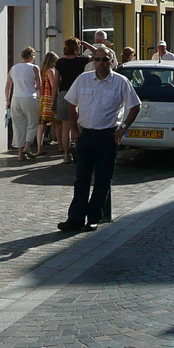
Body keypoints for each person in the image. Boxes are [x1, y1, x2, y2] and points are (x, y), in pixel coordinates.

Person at [58, 47, 141, 232]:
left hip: (108, 135)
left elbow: (135, 106)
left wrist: (123, 129)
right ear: (93, 60)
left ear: (112, 61)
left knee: (103, 179)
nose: (101, 63)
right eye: (97, 59)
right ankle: (75, 218)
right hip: (85, 134)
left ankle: (94, 218)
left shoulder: (121, 82)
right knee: (81, 178)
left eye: (105, 59)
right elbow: (71, 104)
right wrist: (74, 129)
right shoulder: (83, 79)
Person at [54, 38, 89, 164]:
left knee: (66, 128)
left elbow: (56, 82)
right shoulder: (82, 60)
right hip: (79, 94)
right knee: (79, 126)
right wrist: (85, 43)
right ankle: (79, 153)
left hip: (64, 94)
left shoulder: (60, 62)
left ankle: (66, 155)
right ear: (77, 48)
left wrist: (54, 99)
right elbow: (97, 53)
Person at [5, 47, 40, 161]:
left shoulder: (13, 68)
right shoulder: (34, 68)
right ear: (31, 57)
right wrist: (32, 86)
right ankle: (27, 146)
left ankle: (20, 153)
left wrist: (7, 100)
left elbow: (8, 86)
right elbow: (38, 86)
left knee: (18, 126)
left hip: (16, 98)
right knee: (32, 123)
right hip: (29, 97)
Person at [35, 51, 59, 157]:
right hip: (50, 99)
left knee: (41, 124)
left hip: (42, 98)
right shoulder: (51, 71)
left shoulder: (42, 70)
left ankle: (39, 147)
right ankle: (61, 145)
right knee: (57, 122)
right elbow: (54, 84)